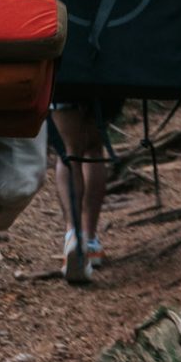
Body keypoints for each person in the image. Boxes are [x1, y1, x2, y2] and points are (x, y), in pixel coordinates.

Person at [48, 98, 122, 283]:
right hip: (105, 79)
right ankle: (89, 240)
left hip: (66, 77)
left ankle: (74, 235)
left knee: (68, 151)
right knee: (95, 150)